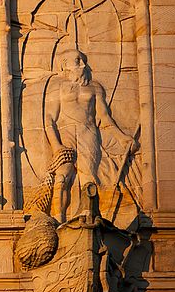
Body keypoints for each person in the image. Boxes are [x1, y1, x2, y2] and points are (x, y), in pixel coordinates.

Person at [44, 49, 139, 222]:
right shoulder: (57, 86)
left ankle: (86, 216)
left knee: (88, 176)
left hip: (88, 133)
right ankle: (59, 219)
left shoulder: (95, 87)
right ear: (64, 64)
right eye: (78, 60)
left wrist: (122, 138)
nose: (83, 65)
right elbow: (49, 119)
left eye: (84, 61)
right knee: (62, 176)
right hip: (66, 133)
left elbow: (104, 118)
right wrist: (56, 145)